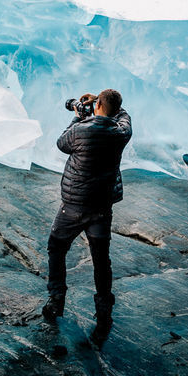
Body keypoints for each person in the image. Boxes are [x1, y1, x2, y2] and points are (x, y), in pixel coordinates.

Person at [42, 88, 132, 344]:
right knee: (101, 260)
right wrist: (103, 107)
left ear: (99, 106)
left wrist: (79, 114)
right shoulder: (121, 132)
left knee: (56, 248)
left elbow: (62, 143)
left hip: (73, 206)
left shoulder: (81, 129)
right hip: (101, 209)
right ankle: (104, 313)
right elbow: (123, 116)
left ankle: (57, 299)